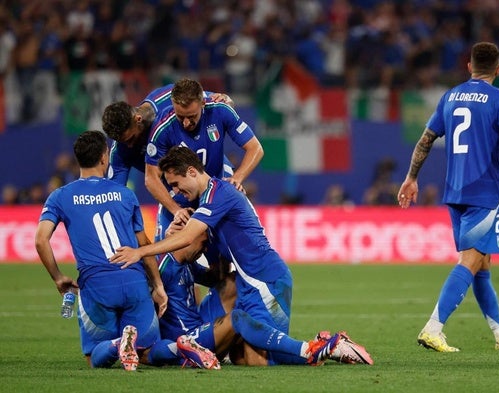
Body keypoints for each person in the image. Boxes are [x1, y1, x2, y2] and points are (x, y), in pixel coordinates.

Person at [109, 147, 373, 366]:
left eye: (176, 185)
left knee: (264, 360)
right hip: (249, 281)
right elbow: (201, 252)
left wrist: (140, 251)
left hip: (265, 279)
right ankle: (321, 344)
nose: (175, 192)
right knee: (245, 358)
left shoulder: (218, 194)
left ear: (192, 172)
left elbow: (189, 237)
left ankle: (329, 345)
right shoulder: (211, 198)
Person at [397, 42, 499, 352]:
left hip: (455, 192)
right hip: (483, 191)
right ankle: (433, 327)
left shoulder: (450, 96)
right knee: (470, 261)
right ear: (498, 70)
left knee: (483, 262)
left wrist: (412, 177)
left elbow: (426, 140)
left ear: (469, 66)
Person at [34, 131, 220, 371]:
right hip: (134, 280)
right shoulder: (125, 194)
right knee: (146, 351)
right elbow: (143, 245)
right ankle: (179, 346)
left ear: (77, 159)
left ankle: (118, 343)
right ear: (104, 157)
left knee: (95, 357)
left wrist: (58, 277)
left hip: (96, 283)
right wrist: (158, 286)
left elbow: (40, 240)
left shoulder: (60, 196)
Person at [161, 220, 373, 367]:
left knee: (234, 284)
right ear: (184, 237)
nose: (204, 250)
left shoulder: (186, 263)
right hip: (185, 340)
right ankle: (314, 348)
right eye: (203, 243)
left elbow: (216, 279)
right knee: (248, 345)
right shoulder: (160, 266)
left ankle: (320, 346)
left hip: (200, 326)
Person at [101, 83, 233, 242]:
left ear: (138, 119)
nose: (129, 146)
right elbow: (114, 196)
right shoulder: (120, 151)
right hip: (176, 193)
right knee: (166, 252)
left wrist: (226, 100)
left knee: (222, 245)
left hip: (211, 173)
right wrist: (176, 210)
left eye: (131, 139)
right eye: (122, 142)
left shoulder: (166, 98)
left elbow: (218, 103)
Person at [143, 77, 263, 239]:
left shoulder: (220, 110)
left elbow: (255, 148)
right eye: (180, 116)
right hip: (181, 200)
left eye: (191, 116)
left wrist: (238, 178)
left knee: (222, 257)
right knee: (168, 256)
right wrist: (175, 209)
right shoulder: (163, 127)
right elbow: (151, 177)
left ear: (203, 104)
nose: (186, 123)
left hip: (215, 194)